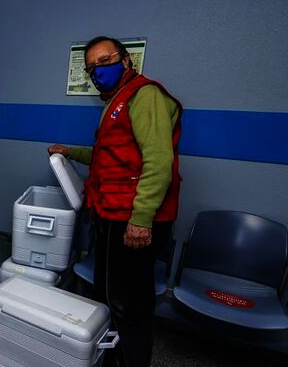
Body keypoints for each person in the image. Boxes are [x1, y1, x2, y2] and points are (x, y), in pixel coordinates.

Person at [49, 36, 182, 367]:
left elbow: (159, 162)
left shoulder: (145, 95)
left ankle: (132, 361)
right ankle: (113, 357)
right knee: (112, 295)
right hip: (112, 212)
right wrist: (71, 152)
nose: (98, 71)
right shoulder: (116, 101)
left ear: (126, 61)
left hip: (133, 216)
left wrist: (141, 219)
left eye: (105, 61)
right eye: (92, 67)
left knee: (129, 303)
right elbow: (110, 157)